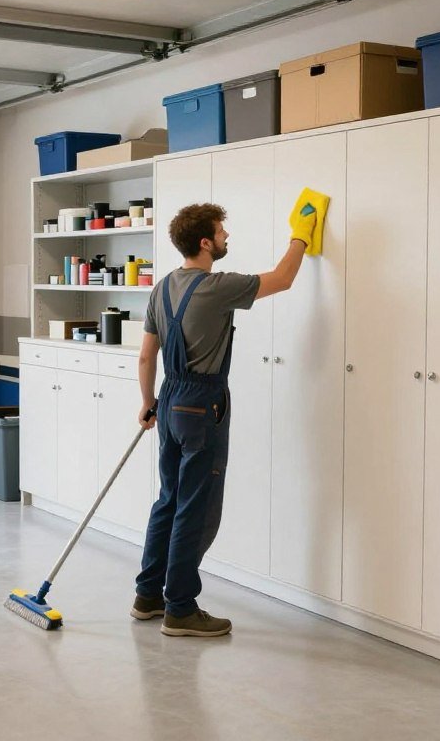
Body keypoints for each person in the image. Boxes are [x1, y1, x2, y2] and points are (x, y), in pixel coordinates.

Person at [131, 202, 314, 636]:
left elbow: (146, 356)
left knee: (168, 500)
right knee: (195, 508)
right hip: (201, 405)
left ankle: (148, 596)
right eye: (221, 231)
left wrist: (147, 402)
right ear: (204, 242)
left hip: (169, 400)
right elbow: (283, 278)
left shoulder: (161, 288)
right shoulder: (217, 286)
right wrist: (301, 234)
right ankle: (180, 609)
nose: (226, 236)